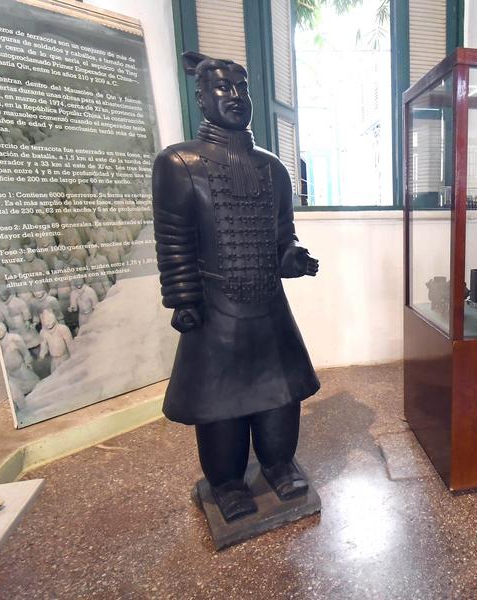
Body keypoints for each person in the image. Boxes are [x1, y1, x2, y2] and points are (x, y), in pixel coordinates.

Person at [152, 52, 320, 523]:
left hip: (269, 308)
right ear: (202, 97)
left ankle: (279, 464)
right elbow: (174, 241)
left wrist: (293, 258)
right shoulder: (178, 163)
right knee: (221, 405)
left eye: (241, 89)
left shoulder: (274, 170)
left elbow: (282, 237)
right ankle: (227, 483)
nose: (235, 97)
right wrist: (183, 298)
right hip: (215, 310)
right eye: (223, 89)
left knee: (280, 397)